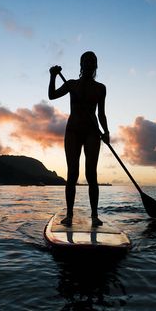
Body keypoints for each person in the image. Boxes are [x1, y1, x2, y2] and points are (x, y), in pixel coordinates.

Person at [48, 51, 110, 227]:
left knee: (92, 174)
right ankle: (69, 215)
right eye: (86, 61)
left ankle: (95, 216)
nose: (90, 64)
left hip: (92, 132)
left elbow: (102, 113)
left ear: (96, 65)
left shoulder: (101, 88)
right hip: (73, 131)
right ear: (81, 65)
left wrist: (106, 132)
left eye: (92, 61)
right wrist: (52, 76)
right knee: (72, 174)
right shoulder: (71, 85)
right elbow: (52, 95)